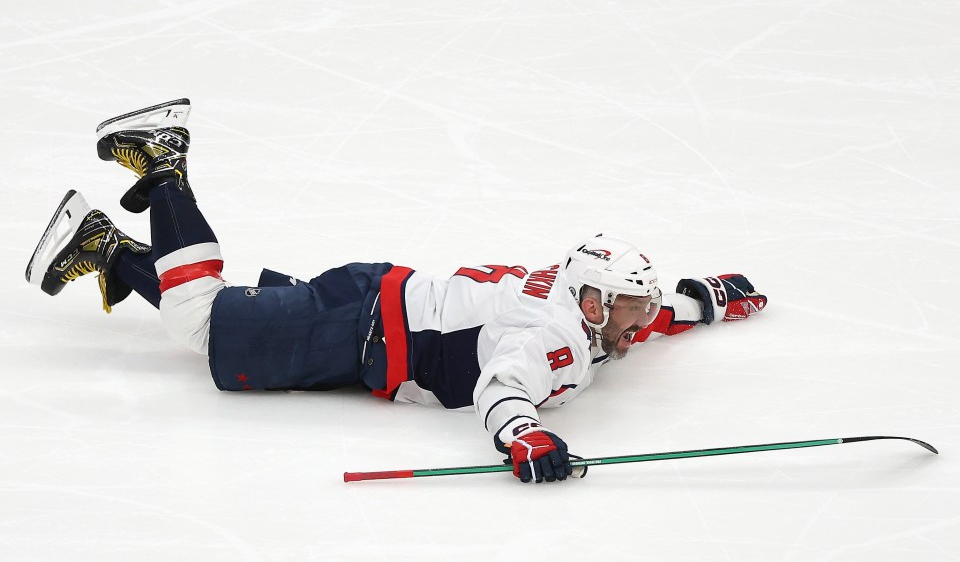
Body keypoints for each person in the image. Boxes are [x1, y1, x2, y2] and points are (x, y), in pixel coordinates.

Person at [25, 99, 768, 484]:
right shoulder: (549, 338)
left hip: (375, 306)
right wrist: (525, 437)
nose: (640, 320)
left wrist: (704, 298)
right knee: (205, 322)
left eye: (639, 307)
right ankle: (162, 160)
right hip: (359, 329)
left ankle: (103, 245)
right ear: (593, 302)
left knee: (235, 316)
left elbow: (653, 316)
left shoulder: (580, 306)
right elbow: (505, 390)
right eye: (629, 306)